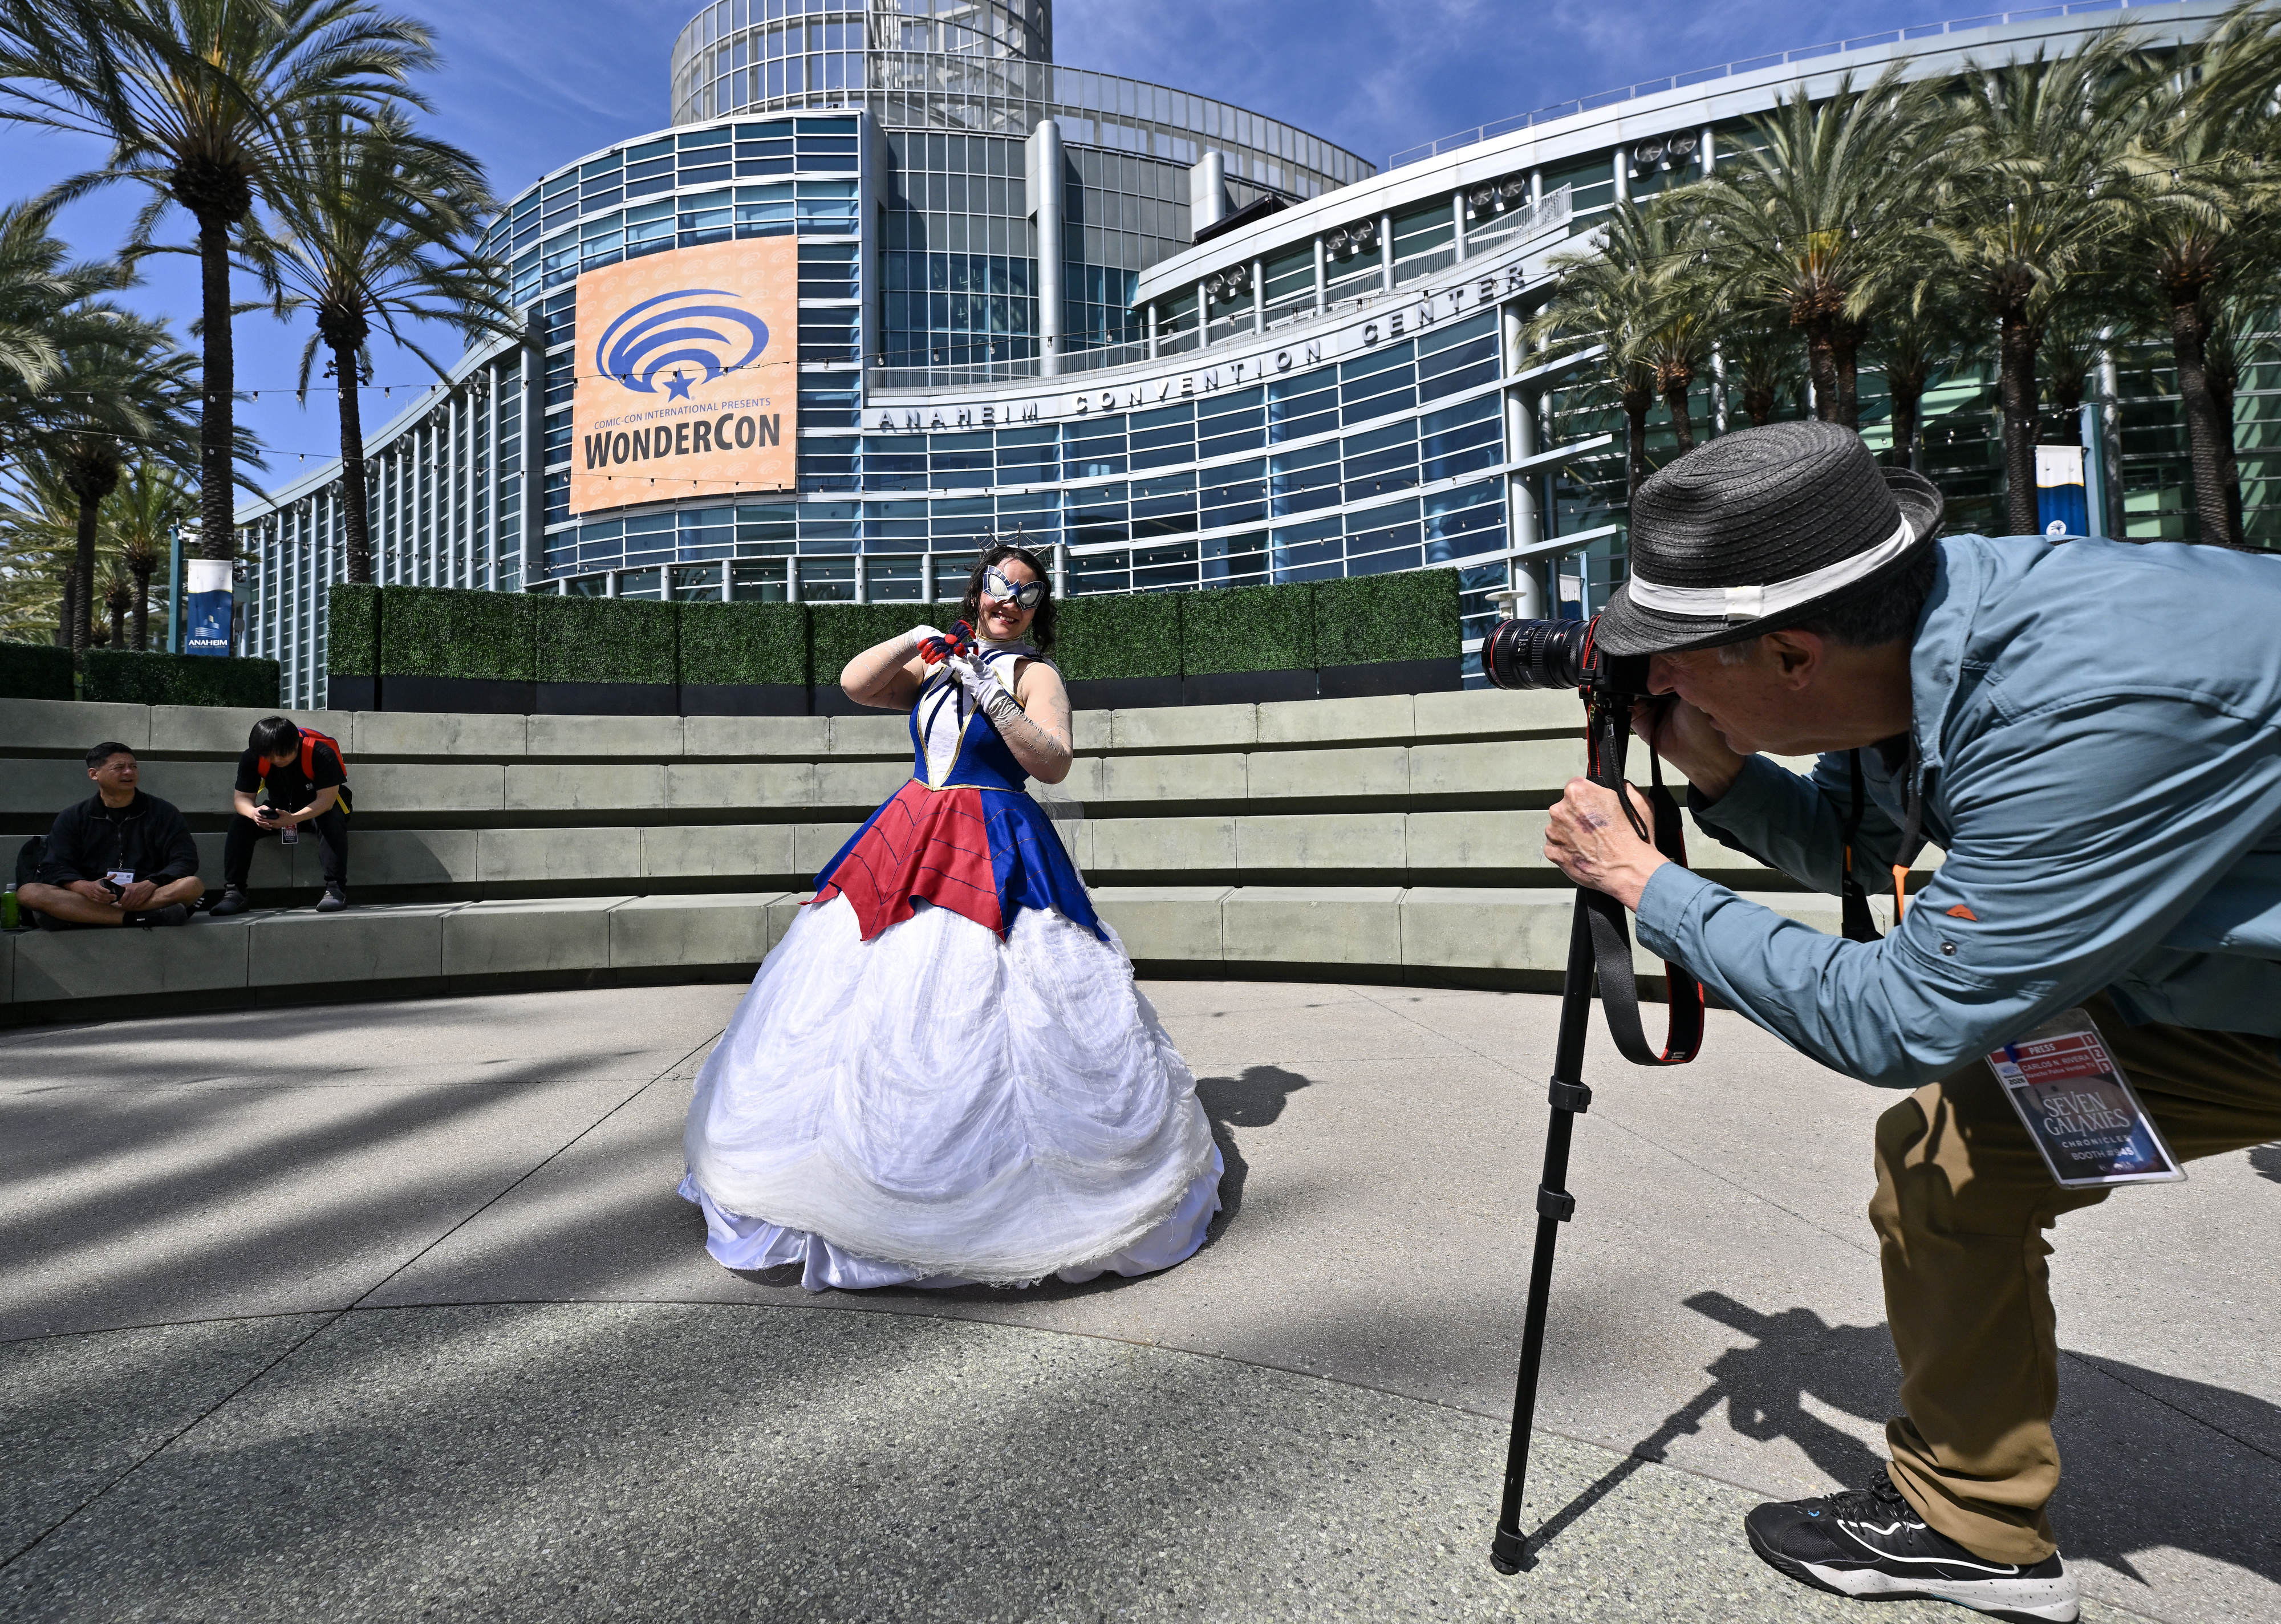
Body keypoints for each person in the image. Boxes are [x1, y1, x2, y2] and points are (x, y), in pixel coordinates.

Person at [1540, 419, 2281, 1624]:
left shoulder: (2081, 705)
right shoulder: (1924, 623)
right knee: (1950, 1157)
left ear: (1789, 652)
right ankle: (1974, 1524)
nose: (1654, 681)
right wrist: (1718, 775)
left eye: (1671, 658)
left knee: (1938, 1113)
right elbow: (1863, 840)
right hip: (2221, 994)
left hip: (2234, 993)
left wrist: (1641, 881)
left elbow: (1901, 1017)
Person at [681, 542, 1222, 1290]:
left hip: (996, 840)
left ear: (1040, 609)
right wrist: (918, 640)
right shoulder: (937, 663)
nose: (1011, 600)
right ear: (977, 592)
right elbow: (856, 684)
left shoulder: (1037, 674)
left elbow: (1054, 761)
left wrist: (991, 691)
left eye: (1028, 593)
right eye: (1001, 586)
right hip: (911, 832)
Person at [17, 742, 204, 928]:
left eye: (133, 767)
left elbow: (185, 860)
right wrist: (84, 887)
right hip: (93, 895)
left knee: (192, 885)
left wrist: (150, 884)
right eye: (119, 768)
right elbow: (55, 866)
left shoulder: (163, 812)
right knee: (29, 892)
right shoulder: (73, 817)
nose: (129, 772)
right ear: (94, 774)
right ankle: (142, 918)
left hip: (146, 893)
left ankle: (83, 916)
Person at [210, 715, 351, 916]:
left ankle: (336, 889)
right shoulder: (253, 757)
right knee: (240, 823)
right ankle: (235, 892)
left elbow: (326, 802)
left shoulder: (320, 753)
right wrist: (254, 813)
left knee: (332, 820)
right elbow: (241, 799)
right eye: (270, 756)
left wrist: (293, 819)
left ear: (295, 743)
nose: (276, 760)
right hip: (280, 807)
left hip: (318, 809)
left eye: (283, 754)